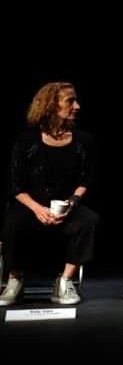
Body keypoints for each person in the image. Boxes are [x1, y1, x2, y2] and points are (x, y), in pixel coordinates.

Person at [0, 82, 100, 306]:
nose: (77, 106)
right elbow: (15, 185)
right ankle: (14, 281)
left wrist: (71, 203)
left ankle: (64, 281)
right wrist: (37, 208)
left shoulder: (84, 140)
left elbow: (88, 179)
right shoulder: (26, 140)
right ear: (51, 105)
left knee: (89, 219)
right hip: (31, 205)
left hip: (65, 206)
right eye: (70, 101)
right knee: (12, 220)